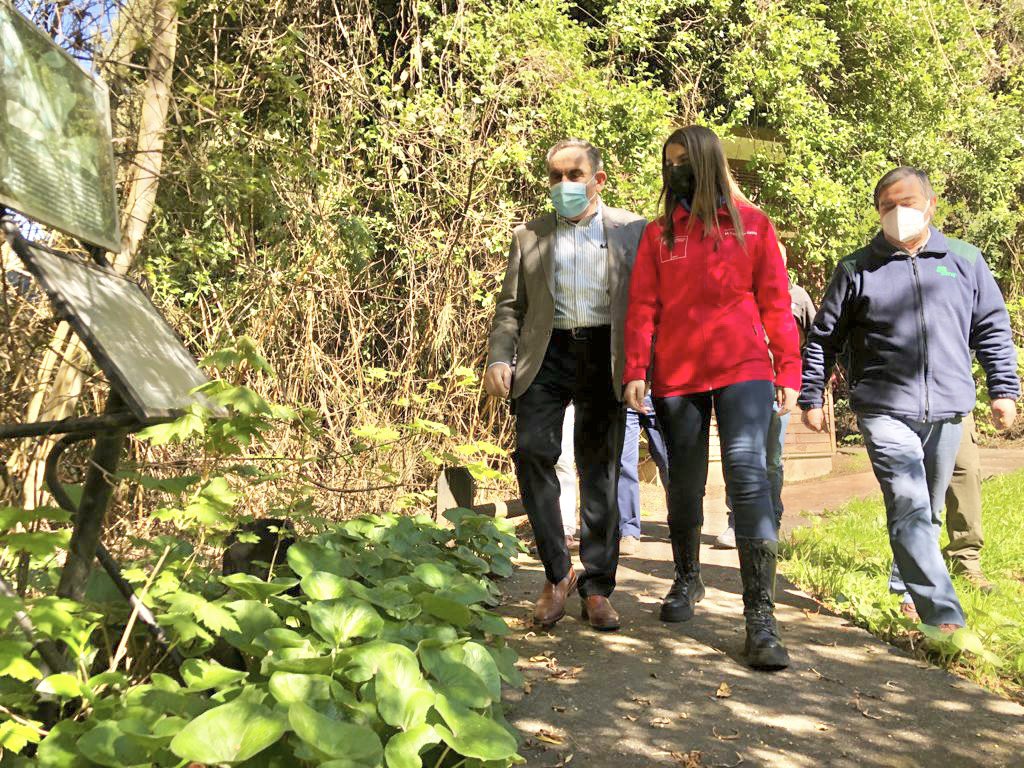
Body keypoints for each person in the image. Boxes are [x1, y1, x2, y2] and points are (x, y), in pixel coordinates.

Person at [800, 166, 1019, 631]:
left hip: (949, 409)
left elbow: (993, 329)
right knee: (909, 500)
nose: (898, 213)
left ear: (930, 205)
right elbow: (823, 339)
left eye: (908, 203)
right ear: (878, 212)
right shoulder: (856, 269)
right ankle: (942, 616)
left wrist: (1003, 389)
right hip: (883, 407)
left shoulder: (964, 260)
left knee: (928, 508)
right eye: (887, 206)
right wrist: (812, 394)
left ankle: (904, 588)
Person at [623, 125, 801, 671]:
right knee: (685, 482)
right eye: (668, 163)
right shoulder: (659, 236)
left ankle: (760, 616)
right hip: (678, 376)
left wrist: (788, 370)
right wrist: (636, 369)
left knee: (748, 478)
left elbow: (775, 302)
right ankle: (686, 578)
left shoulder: (752, 226)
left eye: (685, 162)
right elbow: (643, 308)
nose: (676, 172)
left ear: (707, 166)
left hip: (744, 369)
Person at [485, 139, 646, 631]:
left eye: (574, 175)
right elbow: (511, 307)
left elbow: (646, 306)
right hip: (546, 355)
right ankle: (558, 574)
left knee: (600, 468)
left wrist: (643, 367)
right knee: (533, 452)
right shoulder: (528, 235)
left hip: (606, 355)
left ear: (598, 180)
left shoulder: (632, 232)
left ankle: (597, 588)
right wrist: (498, 357)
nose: (563, 185)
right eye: (555, 176)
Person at [716, 242, 816, 548]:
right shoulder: (740, 292)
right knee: (740, 456)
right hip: (739, 386)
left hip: (777, 389)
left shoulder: (798, 297)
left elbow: (816, 342)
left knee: (771, 459)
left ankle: (771, 519)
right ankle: (737, 522)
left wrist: (807, 388)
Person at [943, 413, 992, 591]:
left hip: (955, 400)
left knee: (965, 472)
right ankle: (912, 565)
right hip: (904, 400)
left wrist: (1003, 392)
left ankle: (965, 561)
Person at [617, 394, 669, 555]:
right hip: (626, 397)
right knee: (623, 464)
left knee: (669, 462)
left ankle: (681, 522)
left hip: (661, 394)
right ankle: (628, 531)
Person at [555, 404, 579, 549]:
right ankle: (545, 531)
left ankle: (564, 530)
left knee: (562, 461)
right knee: (536, 462)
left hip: (567, 396)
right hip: (534, 391)